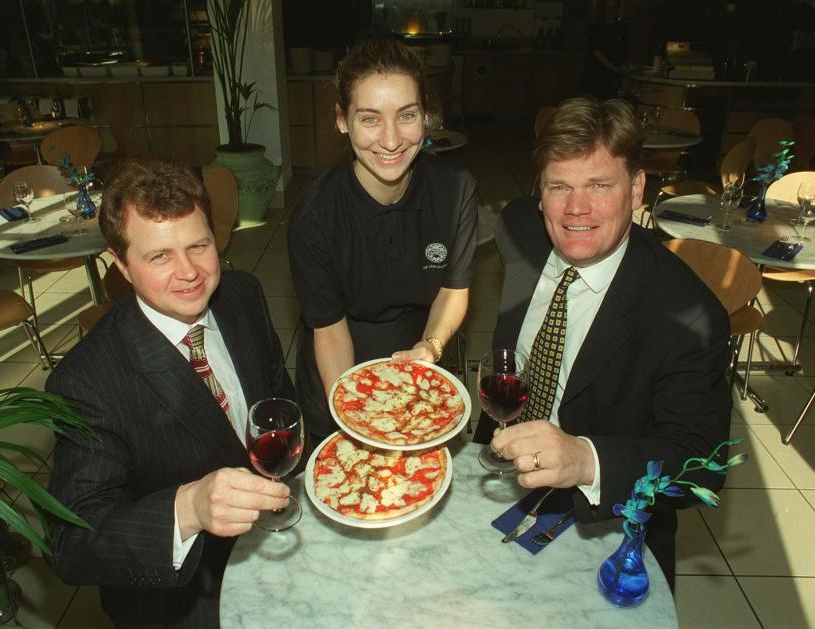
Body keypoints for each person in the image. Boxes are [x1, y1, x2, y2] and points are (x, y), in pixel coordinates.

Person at [475, 97, 731, 590]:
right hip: (499, 484)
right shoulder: (522, 227)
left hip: (601, 522)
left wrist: (585, 460)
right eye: (559, 187)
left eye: (599, 185)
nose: (576, 209)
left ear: (636, 189)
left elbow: (702, 463)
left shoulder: (689, 316)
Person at [46, 157, 294, 628]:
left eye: (199, 245)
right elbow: (71, 545)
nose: (189, 272)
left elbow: (280, 403)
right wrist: (189, 508)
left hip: (276, 544)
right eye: (160, 256)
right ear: (120, 264)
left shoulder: (243, 295)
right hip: (185, 596)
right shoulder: (88, 380)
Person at [288, 39, 477, 441]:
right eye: (370, 119)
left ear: (425, 115)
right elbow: (329, 330)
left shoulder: (455, 191)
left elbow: (452, 289)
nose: (391, 140)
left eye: (406, 115)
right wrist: (354, 414)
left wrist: (430, 346)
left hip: (417, 356)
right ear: (342, 119)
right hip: (338, 364)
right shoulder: (314, 217)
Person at [581, 0, 629, 99]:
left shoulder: (623, 29)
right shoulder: (596, 28)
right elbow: (597, 52)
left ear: (618, 9)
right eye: (607, 7)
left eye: (613, 7)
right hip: (596, 75)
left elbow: (626, 50)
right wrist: (613, 67)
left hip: (614, 78)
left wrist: (624, 66)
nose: (610, 10)